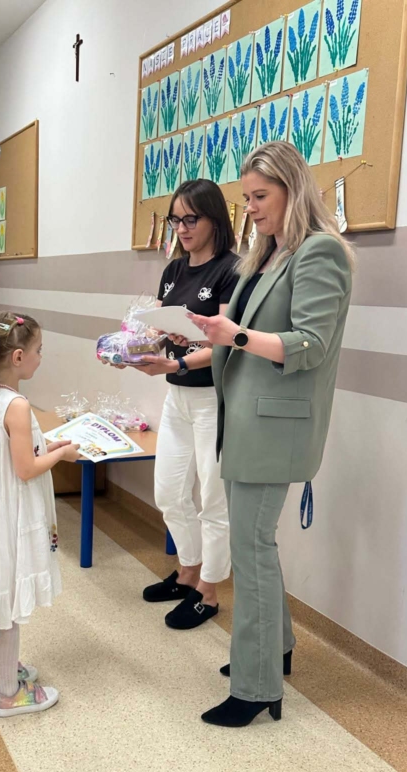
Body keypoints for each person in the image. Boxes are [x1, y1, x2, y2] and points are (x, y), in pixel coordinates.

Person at [188, 141, 354, 727]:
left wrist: (231, 335)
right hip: (245, 422)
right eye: (247, 198)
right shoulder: (267, 255)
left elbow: (311, 344)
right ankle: (274, 648)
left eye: (260, 196)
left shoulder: (320, 252)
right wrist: (189, 351)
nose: (251, 208)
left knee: (250, 548)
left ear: (292, 189)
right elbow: (236, 334)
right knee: (255, 543)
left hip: (274, 428)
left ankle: (257, 687)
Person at [0, 311, 80, 717]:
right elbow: (25, 469)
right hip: (10, 513)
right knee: (7, 594)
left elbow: (17, 451)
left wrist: (49, 445)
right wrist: (62, 455)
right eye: (38, 350)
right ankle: (9, 694)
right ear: (17, 357)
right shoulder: (18, 404)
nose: (40, 357)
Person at [134, 179, 240, 629]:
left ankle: (208, 593)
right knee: (170, 492)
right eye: (175, 220)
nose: (181, 228)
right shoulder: (174, 270)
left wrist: (175, 364)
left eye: (190, 219)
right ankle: (187, 572)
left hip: (212, 398)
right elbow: (161, 327)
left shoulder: (231, 270)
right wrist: (135, 348)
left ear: (214, 218)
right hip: (177, 397)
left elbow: (225, 344)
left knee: (212, 500)